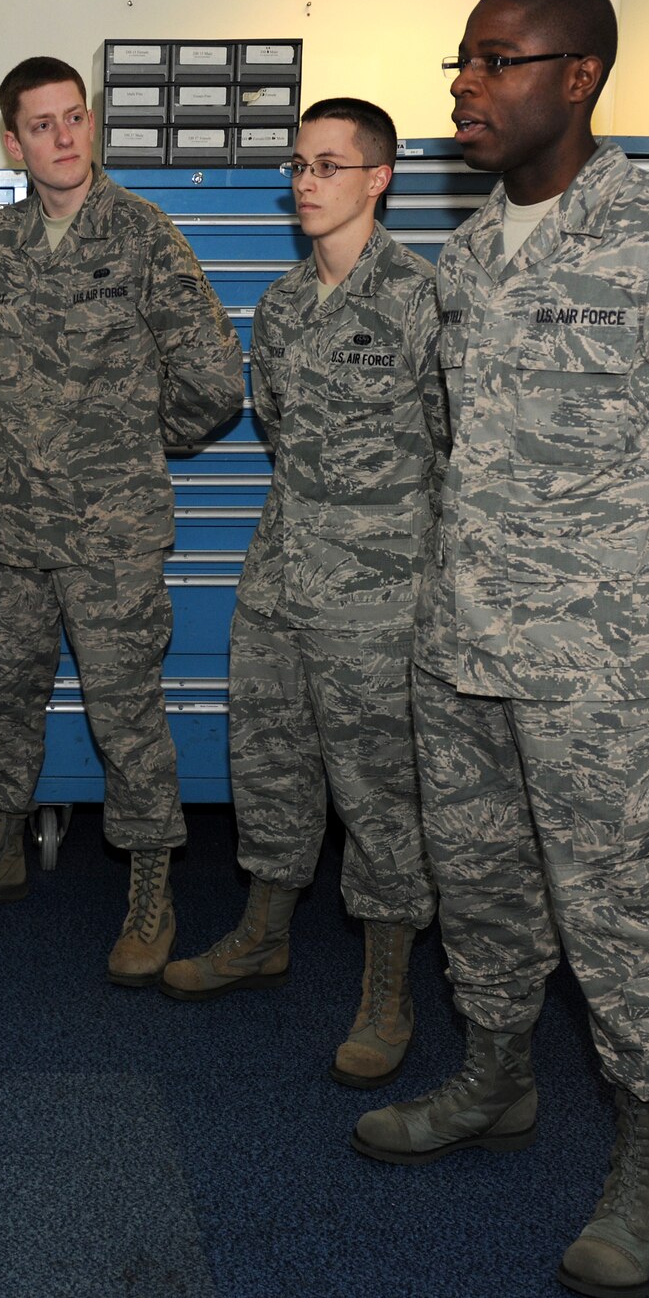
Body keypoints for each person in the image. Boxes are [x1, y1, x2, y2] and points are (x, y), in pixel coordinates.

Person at [352, 0, 649, 1298]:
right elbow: (452, 445)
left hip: (594, 658)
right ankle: (497, 1077)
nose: (464, 86)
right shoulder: (473, 250)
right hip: (464, 637)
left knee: (621, 907)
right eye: (461, 62)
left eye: (496, 61)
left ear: (580, 74)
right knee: (479, 880)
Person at [0, 55, 244, 988]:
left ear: (91, 125)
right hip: (13, 523)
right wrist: (24, 430)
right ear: (12, 142)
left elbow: (215, 377)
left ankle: (150, 887)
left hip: (112, 533)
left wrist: (131, 447)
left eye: (75, 118)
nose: (63, 137)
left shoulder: (141, 235)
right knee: (2, 698)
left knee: (126, 714)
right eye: (42, 124)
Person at [159, 99, 444, 1091]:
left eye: (329, 164)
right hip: (281, 567)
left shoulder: (420, 300)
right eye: (296, 164)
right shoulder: (280, 305)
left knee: (378, 789)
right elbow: (278, 429)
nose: (305, 181)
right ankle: (261, 934)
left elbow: (454, 453)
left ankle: (385, 987)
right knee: (268, 753)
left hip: (378, 588)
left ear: (378, 179)